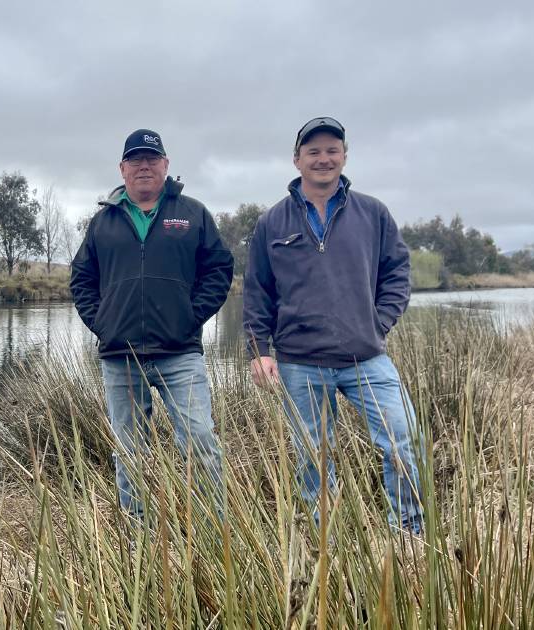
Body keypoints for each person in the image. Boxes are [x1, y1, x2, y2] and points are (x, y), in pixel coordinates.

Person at [243, 116, 424, 533]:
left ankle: (408, 534)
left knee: (402, 440)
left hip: (367, 357)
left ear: (344, 156)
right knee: (312, 455)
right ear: (296, 160)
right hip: (300, 362)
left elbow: (397, 273)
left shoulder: (373, 213)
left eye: (332, 150)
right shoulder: (272, 222)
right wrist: (259, 352)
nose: (323, 159)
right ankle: (328, 537)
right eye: (313, 151)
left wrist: (377, 323)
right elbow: (257, 293)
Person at [71, 129, 234, 517]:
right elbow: (81, 279)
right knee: (129, 450)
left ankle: (214, 532)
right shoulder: (102, 223)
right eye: (135, 159)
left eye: (152, 158)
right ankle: (137, 537)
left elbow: (219, 268)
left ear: (166, 165)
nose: (144, 165)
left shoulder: (192, 214)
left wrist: (191, 318)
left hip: (180, 354)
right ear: (122, 168)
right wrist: (104, 324)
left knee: (200, 440)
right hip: (120, 357)